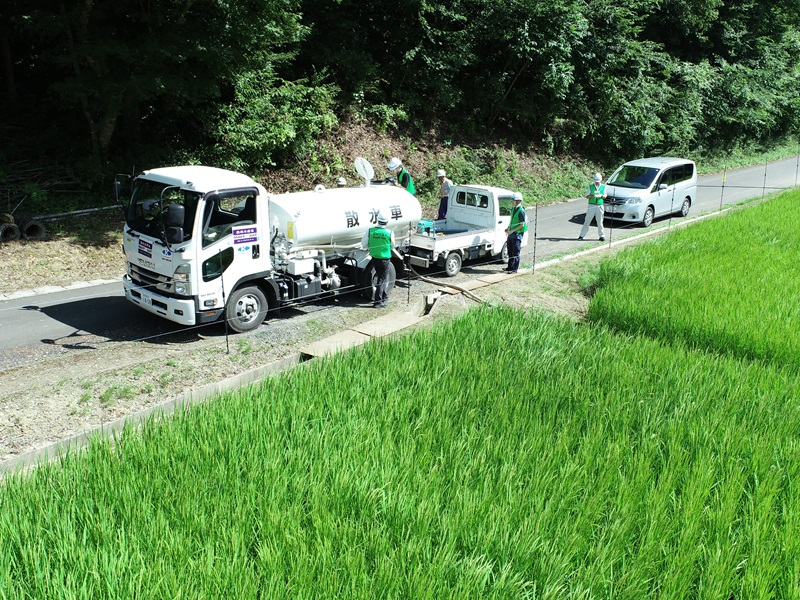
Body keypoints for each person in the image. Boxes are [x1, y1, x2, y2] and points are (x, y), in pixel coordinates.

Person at [361, 212, 395, 308]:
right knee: (382, 279)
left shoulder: (370, 231)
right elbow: (392, 246)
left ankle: (384, 297)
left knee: (381, 278)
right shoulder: (389, 232)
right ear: (387, 222)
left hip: (374, 258)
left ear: (377, 219)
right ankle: (378, 302)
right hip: (385, 258)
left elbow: (363, 244)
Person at [504, 192, 527, 273]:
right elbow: (513, 221)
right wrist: (508, 228)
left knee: (515, 252)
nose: (511, 202)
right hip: (511, 232)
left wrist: (512, 231)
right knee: (510, 251)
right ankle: (509, 267)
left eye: (513, 200)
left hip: (517, 234)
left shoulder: (521, 211)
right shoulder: (513, 209)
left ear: (517, 201)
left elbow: (522, 225)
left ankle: (514, 269)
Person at [579, 172, 606, 241]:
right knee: (587, 221)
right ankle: (582, 235)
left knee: (600, 222)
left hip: (599, 206)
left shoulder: (603, 186)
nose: (597, 183)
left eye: (598, 182)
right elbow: (587, 196)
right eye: (596, 181)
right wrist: (592, 195)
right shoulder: (590, 186)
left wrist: (601, 196)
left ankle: (602, 236)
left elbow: (605, 196)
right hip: (591, 205)